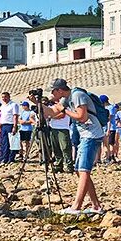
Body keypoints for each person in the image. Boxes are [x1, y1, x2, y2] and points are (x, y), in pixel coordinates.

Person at [48, 78, 104, 214]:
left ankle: (76, 206)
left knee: (84, 170)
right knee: (79, 170)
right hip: (85, 135)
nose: (52, 93)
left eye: (53, 90)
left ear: (59, 90)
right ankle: (96, 206)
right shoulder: (66, 99)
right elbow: (53, 112)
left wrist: (64, 109)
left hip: (92, 135)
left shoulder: (77, 95)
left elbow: (82, 117)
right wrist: (38, 104)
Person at [44, 97, 73, 173]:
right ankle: (58, 165)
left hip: (63, 128)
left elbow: (62, 115)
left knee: (65, 147)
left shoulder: (65, 106)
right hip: (53, 128)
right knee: (55, 147)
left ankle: (69, 165)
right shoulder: (52, 107)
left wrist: (52, 117)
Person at [0, 91, 16, 164]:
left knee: (11, 142)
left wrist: (14, 126)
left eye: (5, 97)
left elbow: (15, 116)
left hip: (10, 124)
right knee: (4, 142)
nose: (4, 98)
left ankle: (11, 158)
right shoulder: (2, 106)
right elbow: (1, 117)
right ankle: (4, 158)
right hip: (3, 125)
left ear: (9, 97)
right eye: (2, 97)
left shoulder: (13, 105)